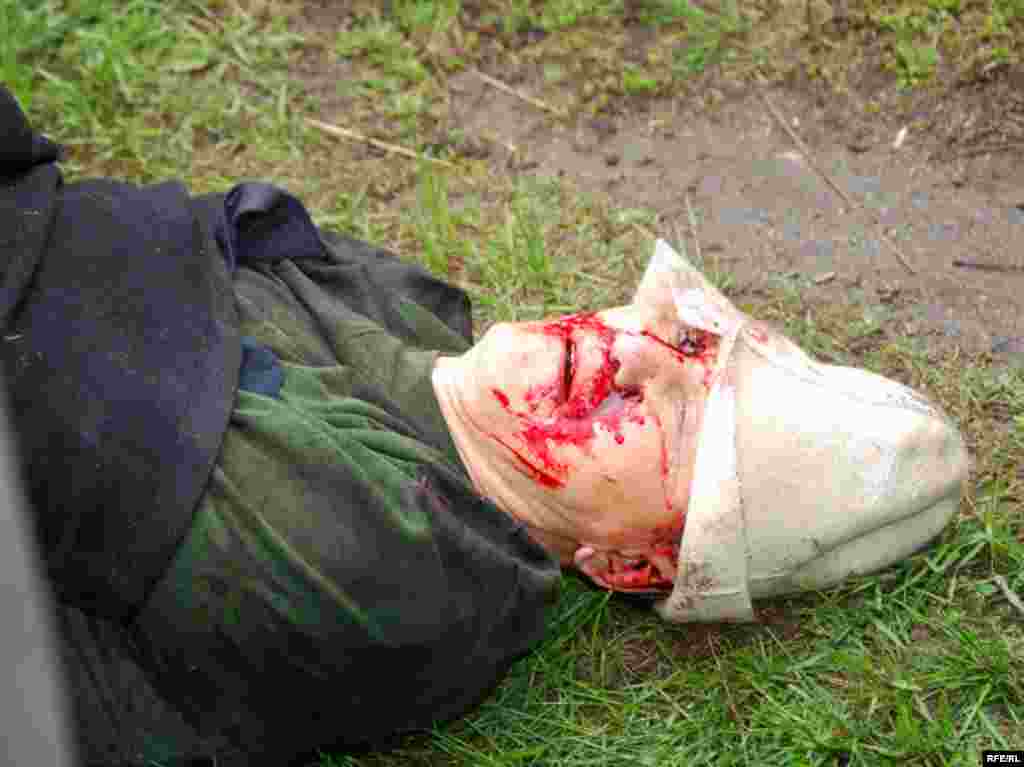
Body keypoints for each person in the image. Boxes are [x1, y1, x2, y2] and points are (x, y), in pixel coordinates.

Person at [0, 86, 970, 766]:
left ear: (630, 563)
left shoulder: (408, 572)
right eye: (683, 340)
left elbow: (61, 389)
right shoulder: (411, 310)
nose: (633, 353)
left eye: (670, 417)